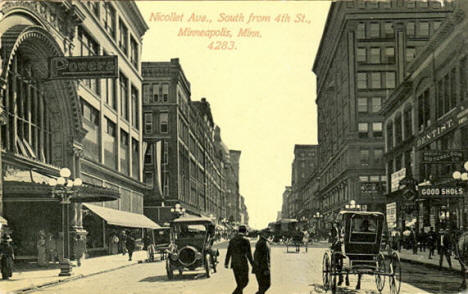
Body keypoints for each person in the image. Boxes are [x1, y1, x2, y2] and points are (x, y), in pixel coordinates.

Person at [225, 225, 254, 294]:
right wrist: (253, 264)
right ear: (245, 232)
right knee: (245, 281)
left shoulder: (232, 240)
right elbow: (249, 254)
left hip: (235, 264)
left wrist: (226, 263)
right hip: (243, 263)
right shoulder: (246, 241)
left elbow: (229, 252)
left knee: (239, 283)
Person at [253, 229, 271, 294]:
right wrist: (266, 269)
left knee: (262, 286)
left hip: (260, 268)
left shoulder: (263, 242)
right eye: (267, 233)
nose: (269, 234)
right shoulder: (262, 243)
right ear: (262, 234)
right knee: (266, 285)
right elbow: (264, 257)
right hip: (262, 268)